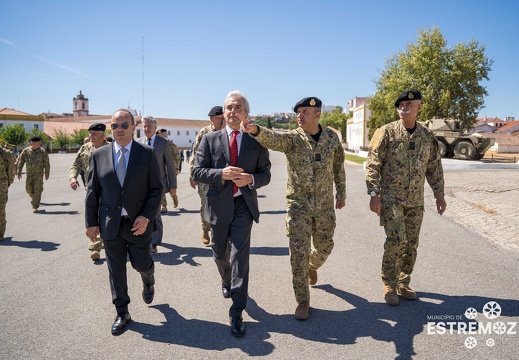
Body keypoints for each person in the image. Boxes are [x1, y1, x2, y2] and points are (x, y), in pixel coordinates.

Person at [241, 97, 346, 320]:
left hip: (325, 204)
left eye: (305, 111)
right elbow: (274, 139)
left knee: (325, 246)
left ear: (317, 114)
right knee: (298, 253)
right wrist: (255, 129)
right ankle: (302, 300)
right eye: (298, 111)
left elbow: (338, 167)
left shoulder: (331, 138)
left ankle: (312, 265)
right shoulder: (293, 140)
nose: (299, 115)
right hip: (298, 205)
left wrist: (342, 193)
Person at [192, 90, 271, 337]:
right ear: (224, 112)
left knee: (240, 257)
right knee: (220, 253)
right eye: (229, 107)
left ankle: (237, 311)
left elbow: (266, 174)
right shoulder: (210, 139)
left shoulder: (256, 141)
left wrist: (251, 179)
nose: (232, 111)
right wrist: (221, 174)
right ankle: (226, 281)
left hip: (243, 206)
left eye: (237, 107)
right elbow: (197, 171)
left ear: (246, 113)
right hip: (217, 206)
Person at [365, 89, 446, 306]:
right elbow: (373, 164)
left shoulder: (427, 136)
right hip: (391, 199)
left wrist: (440, 195)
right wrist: (374, 194)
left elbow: (434, 168)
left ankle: (403, 281)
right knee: (396, 240)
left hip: (415, 201)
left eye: (409, 105)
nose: (404, 108)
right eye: (401, 105)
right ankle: (389, 283)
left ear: (419, 107)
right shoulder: (386, 132)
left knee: (411, 243)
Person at [85, 109, 163, 335]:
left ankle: (148, 278)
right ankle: (122, 312)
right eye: (115, 126)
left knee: (140, 263)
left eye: (124, 125)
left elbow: (157, 189)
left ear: (133, 127)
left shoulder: (146, 154)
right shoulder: (99, 155)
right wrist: (91, 222)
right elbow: (92, 192)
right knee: (115, 270)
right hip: (110, 224)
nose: (119, 130)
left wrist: (146, 216)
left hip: (138, 224)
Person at [137, 117, 177, 253]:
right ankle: (145, 239)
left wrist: (173, 186)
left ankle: (154, 243)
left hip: (158, 185)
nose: (146, 129)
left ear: (155, 127)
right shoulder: (138, 143)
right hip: (141, 185)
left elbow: (170, 166)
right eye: (144, 126)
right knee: (142, 213)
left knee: (155, 213)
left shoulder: (163, 143)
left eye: (149, 126)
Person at [69, 123, 109, 260]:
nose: (91, 136)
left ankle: (104, 240)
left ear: (103, 136)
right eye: (90, 133)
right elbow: (76, 164)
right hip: (91, 189)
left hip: (108, 190)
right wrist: (73, 177)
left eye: (94, 134)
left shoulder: (110, 149)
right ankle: (95, 247)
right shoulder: (85, 148)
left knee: (104, 217)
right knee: (93, 215)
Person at [189, 105, 225, 245]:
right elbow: (195, 153)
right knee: (205, 204)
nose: (221, 121)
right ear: (211, 119)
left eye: (223, 118)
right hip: (205, 176)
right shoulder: (204, 132)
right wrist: (193, 175)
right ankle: (205, 229)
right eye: (218, 118)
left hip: (223, 175)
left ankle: (220, 233)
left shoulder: (228, 132)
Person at [17, 136, 50, 213]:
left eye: (39, 142)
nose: (39, 144)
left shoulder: (42, 151)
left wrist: (47, 172)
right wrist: (19, 171)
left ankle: (35, 206)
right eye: (38, 142)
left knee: (37, 190)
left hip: (39, 175)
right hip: (29, 174)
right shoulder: (26, 151)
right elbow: (20, 161)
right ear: (32, 143)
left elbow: (47, 163)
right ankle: (34, 199)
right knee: (28, 189)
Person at [157, 129, 180, 211]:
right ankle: (164, 206)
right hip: (161, 169)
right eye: (160, 134)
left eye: (163, 134)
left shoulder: (170, 144)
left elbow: (177, 157)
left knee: (171, 186)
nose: (162, 136)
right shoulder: (156, 144)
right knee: (161, 186)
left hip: (170, 169)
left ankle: (174, 197)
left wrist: (176, 168)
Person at [0, 145, 15, 240]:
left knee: (0, 209)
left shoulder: (6, 154)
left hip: (1, 185)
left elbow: (11, 170)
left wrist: (9, 181)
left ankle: (0, 234)